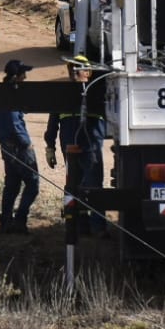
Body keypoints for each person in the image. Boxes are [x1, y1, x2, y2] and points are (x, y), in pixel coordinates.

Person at [44, 55, 109, 235]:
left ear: (88, 72)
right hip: (70, 146)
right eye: (72, 69)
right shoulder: (63, 93)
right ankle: (79, 226)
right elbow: (53, 121)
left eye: (79, 69)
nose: (75, 72)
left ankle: (97, 227)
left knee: (94, 185)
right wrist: (50, 147)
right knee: (74, 185)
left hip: (91, 145)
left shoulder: (96, 91)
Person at [0, 59, 39, 233]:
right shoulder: (11, 95)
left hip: (7, 146)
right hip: (20, 147)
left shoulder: (0, 93)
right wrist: (26, 143)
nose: (25, 77)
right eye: (23, 74)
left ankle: (6, 222)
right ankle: (20, 221)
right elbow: (14, 123)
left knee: (12, 185)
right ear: (16, 77)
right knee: (32, 183)